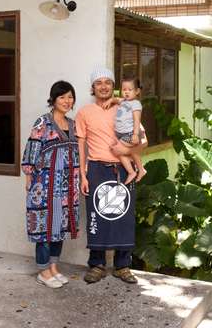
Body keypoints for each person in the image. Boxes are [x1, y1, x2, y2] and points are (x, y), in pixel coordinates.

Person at [75, 66, 146, 285]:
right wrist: (83, 175)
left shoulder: (125, 107)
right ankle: (96, 265)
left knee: (124, 216)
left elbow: (142, 141)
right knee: (97, 216)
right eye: (99, 83)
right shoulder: (84, 112)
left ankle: (122, 266)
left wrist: (122, 151)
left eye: (108, 82)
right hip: (96, 168)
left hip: (123, 170)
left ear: (113, 86)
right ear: (93, 88)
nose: (103, 86)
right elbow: (81, 144)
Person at [21, 80, 80, 289]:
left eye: (70, 97)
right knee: (45, 228)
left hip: (67, 187)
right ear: (53, 100)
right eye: (62, 97)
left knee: (60, 226)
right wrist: (29, 176)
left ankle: (54, 267)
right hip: (44, 186)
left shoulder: (73, 124)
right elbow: (32, 148)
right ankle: (43, 271)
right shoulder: (42, 123)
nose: (67, 101)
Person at [103, 77, 147, 185]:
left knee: (118, 149)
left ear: (137, 91)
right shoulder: (123, 101)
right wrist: (110, 100)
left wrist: (135, 135)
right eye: (124, 89)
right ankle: (136, 170)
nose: (126, 92)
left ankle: (137, 170)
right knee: (120, 152)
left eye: (130, 90)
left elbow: (137, 120)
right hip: (121, 134)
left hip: (130, 133)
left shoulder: (136, 104)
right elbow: (116, 99)